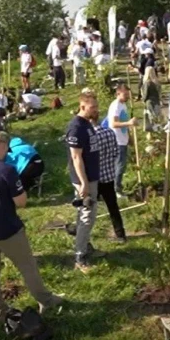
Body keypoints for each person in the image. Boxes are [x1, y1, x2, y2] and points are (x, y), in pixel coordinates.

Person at [0, 132, 63, 319]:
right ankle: (46, 301)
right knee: (27, 266)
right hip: (7, 229)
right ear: (3, 146)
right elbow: (21, 202)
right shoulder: (6, 170)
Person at [66, 92, 101, 272]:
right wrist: (84, 183)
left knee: (85, 214)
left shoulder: (87, 123)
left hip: (92, 176)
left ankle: (85, 245)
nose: (96, 109)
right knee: (87, 216)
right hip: (84, 179)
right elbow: (76, 157)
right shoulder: (76, 127)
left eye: (96, 106)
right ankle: (80, 256)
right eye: (92, 107)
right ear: (82, 106)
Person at [94, 118, 127, 244]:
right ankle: (120, 235)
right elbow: (116, 152)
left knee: (88, 208)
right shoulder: (110, 132)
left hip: (95, 179)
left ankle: (84, 237)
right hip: (108, 177)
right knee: (113, 207)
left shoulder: (91, 136)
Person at [107, 84, 137, 196]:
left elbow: (124, 122)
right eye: (125, 94)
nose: (127, 97)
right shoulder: (115, 106)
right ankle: (116, 190)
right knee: (119, 165)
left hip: (123, 139)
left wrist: (130, 138)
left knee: (121, 165)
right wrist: (129, 123)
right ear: (118, 93)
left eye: (128, 95)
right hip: (117, 140)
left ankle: (117, 186)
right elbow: (113, 123)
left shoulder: (123, 105)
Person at [141, 66, 161, 134]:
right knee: (156, 117)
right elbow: (159, 92)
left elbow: (146, 94)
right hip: (157, 101)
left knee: (149, 118)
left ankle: (150, 133)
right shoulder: (157, 82)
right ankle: (157, 131)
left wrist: (143, 100)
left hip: (149, 102)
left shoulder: (147, 83)